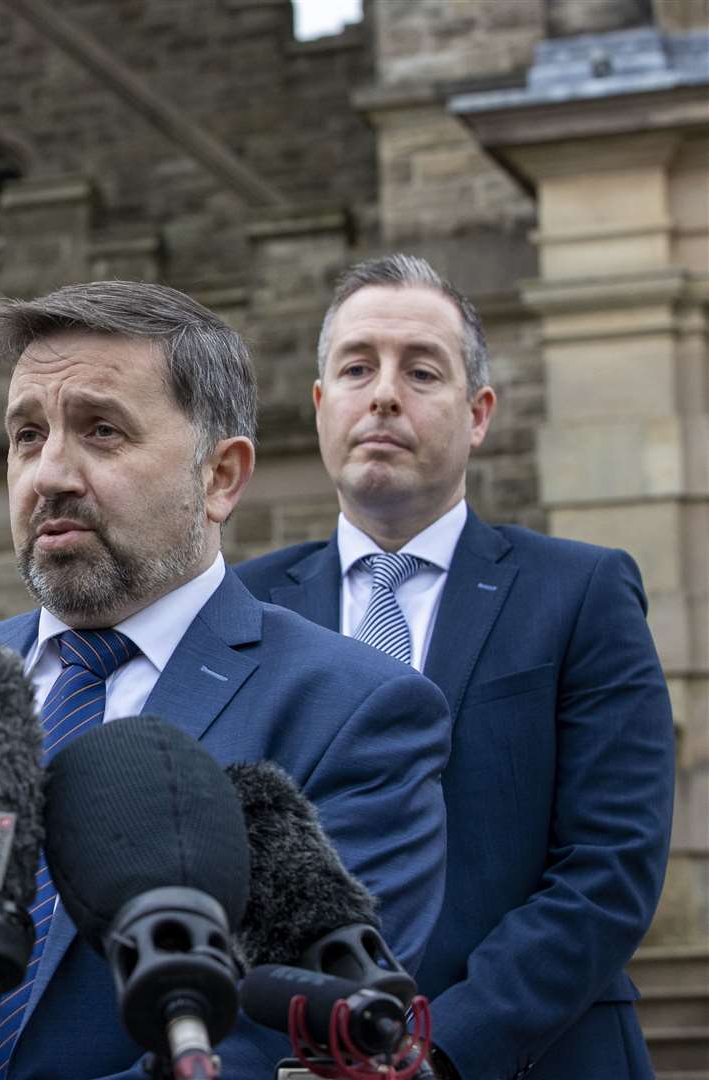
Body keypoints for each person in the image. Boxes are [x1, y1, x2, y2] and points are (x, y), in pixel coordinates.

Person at [0, 281, 451, 1079]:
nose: (50, 474)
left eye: (101, 431)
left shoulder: (353, 711)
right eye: (27, 435)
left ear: (221, 477)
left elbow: (282, 1038)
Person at [236, 254, 675, 1079]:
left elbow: (612, 863)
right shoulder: (243, 609)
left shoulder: (580, 591)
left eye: (422, 370)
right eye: (358, 367)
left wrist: (439, 1046)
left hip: (534, 1057)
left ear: (478, 415)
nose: (386, 393)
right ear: (323, 405)